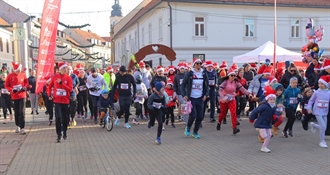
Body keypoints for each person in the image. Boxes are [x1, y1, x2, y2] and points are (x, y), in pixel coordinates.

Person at [217, 65, 251, 134]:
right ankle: (219, 122)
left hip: (232, 99)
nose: (233, 77)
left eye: (234, 75)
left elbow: (242, 89)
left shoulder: (236, 82)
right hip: (224, 100)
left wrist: (249, 94)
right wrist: (222, 97)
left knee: (233, 113)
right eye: (231, 75)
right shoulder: (225, 82)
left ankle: (234, 128)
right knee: (222, 114)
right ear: (229, 76)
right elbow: (220, 90)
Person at [181, 59, 209, 139]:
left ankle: (195, 132)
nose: (199, 65)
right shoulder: (190, 73)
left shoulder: (204, 73)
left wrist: (205, 95)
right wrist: (184, 95)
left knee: (200, 117)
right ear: (194, 64)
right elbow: (183, 85)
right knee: (193, 115)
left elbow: (207, 85)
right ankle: (188, 127)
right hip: (191, 98)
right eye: (197, 63)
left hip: (200, 98)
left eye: (200, 63)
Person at [47, 62, 73, 142]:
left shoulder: (68, 78)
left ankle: (64, 131)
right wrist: (49, 95)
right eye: (65, 68)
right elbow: (49, 86)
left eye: (67, 68)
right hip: (57, 100)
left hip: (65, 101)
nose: (66, 69)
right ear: (60, 69)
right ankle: (59, 134)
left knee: (65, 118)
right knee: (58, 117)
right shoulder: (55, 77)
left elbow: (70, 89)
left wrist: (62, 84)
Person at [249, 86, 279, 153]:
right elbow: (255, 111)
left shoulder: (274, 107)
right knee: (264, 135)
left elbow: (276, 114)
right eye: (271, 99)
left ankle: (264, 147)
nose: (272, 101)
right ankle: (259, 129)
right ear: (267, 100)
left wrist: (275, 118)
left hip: (268, 123)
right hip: (261, 123)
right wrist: (252, 118)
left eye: (273, 99)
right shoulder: (264, 106)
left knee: (269, 136)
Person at [5, 62, 29, 134]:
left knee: (22, 111)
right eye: (17, 70)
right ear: (14, 70)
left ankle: (22, 127)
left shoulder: (23, 74)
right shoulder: (10, 76)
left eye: (19, 69)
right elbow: (6, 85)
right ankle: (17, 125)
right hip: (14, 96)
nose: (19, 71)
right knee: (17, 111)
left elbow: (26, 82)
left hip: (22, 95)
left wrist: (24, 87)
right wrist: (12, 89)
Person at [307, 75, 330, 148]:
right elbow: (311, 101)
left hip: (325, 111)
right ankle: (322, 141)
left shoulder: (329, 92)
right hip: (317, 111)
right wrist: (309, 108)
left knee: (324, 127)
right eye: (319, 83)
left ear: (326, 84)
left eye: (322, 84)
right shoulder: (316, 92)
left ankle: (313, 125)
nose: (320, 85)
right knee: (323, 126)